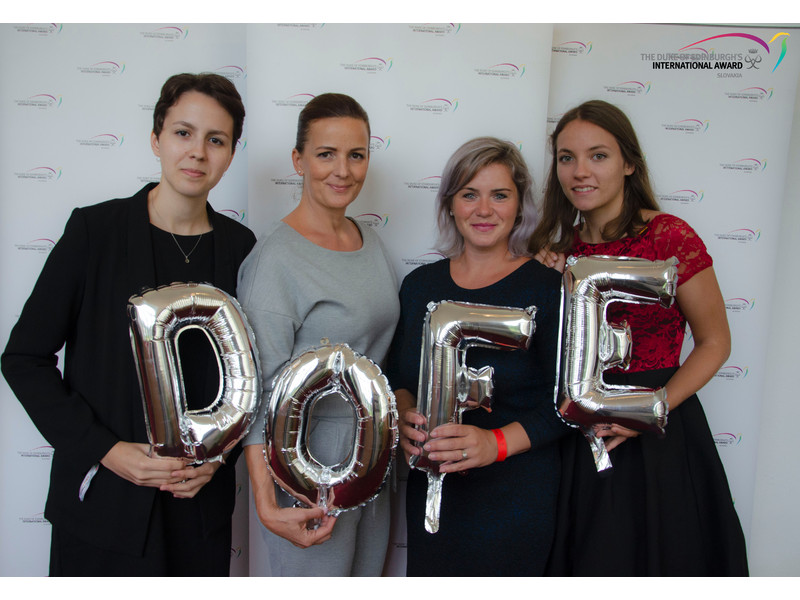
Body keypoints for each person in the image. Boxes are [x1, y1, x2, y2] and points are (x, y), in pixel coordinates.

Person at [1, 73, 256, 575]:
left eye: (216, 140)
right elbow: (24, 359)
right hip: (103, 505)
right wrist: (107, 451)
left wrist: (217, 459)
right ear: (156, 138)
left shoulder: (243, 249)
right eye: (183, 133)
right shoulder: (94, 231)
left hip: (197, 511)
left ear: (231, 153)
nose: (197, 152)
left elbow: (251, 380)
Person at [530, 99, 749, 576]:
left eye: (598, 155)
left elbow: (715, 342)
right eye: (567, 157)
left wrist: (650, 411)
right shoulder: (554, 249)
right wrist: (547, 284)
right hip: (579, 434)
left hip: (657, 433)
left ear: (629, 163)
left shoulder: (668, 237)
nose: (580, 171)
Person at [386, 137, 567, 576]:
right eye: (469, 194)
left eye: (499, 195)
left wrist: (494, 443)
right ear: (450, 204)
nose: (484, 210)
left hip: (517, 499)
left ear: (519, 205)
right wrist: (405, 414)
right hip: (436, 498)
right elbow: (400, 376)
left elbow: (567, 404)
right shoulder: (420, 286)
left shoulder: (548, 288)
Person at [237, 93, 400, 576]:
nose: (342, 170)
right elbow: (256, 395)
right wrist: (267, 503)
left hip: (372, 458)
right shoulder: (276, 259)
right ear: (299, 160)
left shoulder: (370, 240)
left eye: (356, 155)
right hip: (309, 469)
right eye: (326, 154)